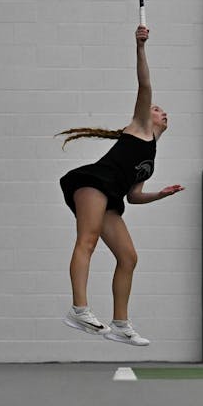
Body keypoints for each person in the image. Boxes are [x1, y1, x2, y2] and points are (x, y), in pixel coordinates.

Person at [57, 25, 184, 347]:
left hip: (111, 195)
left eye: (163, 111)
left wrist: (159, 194)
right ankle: (78, 309)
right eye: (157, 110)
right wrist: (140, 47)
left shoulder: (149, 158)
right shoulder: (139, 127)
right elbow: (145, 84)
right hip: (91, 183)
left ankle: (121, 324)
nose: (161, 111)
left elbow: (134, 196)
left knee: (128, 257)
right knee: (87, 241)